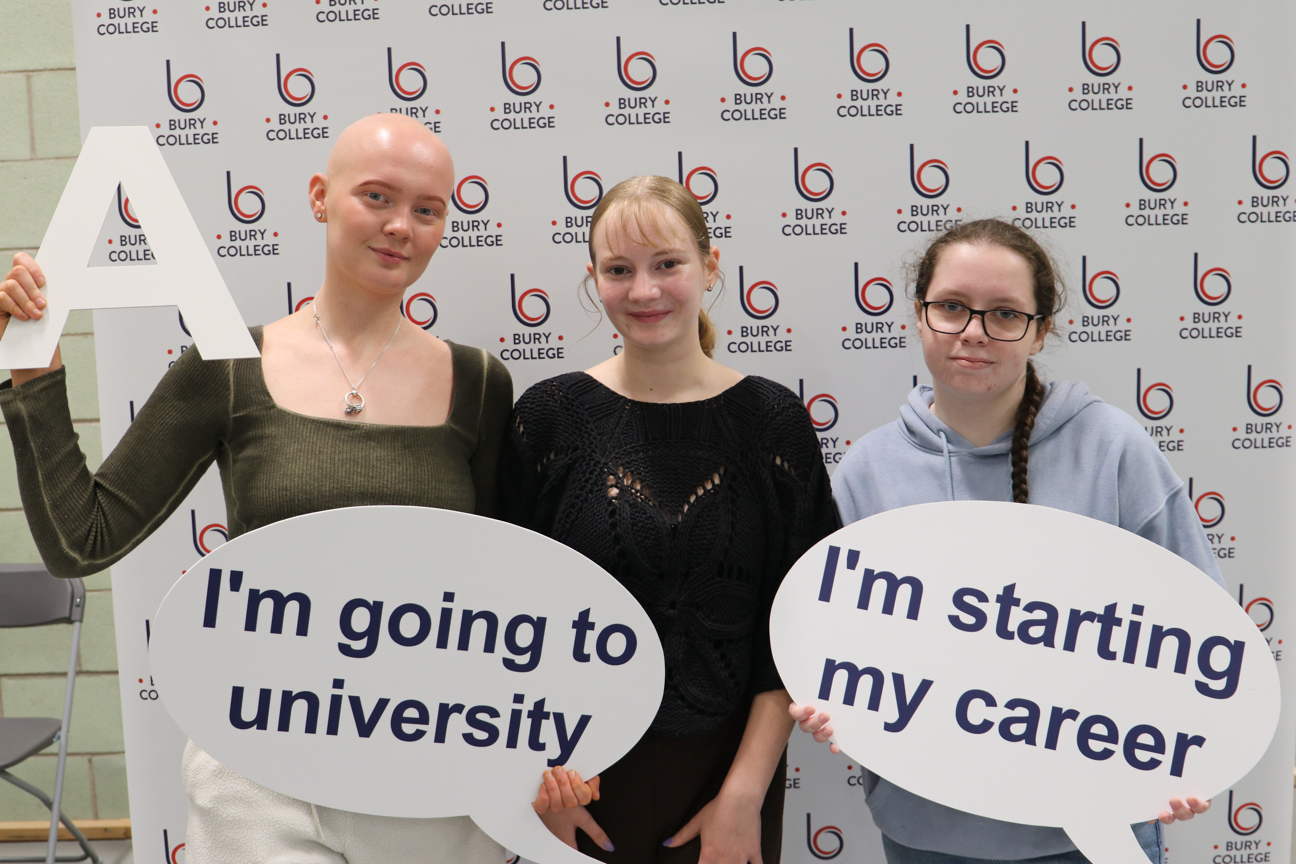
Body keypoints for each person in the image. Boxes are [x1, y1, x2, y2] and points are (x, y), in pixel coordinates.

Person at [0, 114, 591, 864]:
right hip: (261, 773)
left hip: (433, 771)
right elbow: (80, 539)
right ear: (319, 196)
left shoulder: (477, 384)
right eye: (376, 196)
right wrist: (35, 379)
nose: (400, 226)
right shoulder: (227, 366)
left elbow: (503, 591)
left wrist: (544, 734)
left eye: (427, 209)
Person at [790, 219, 1220, 864]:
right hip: (928, 832)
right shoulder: (867, 471)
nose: (973, 332)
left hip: (1095, 831)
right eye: (953, 307)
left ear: (1040, 330)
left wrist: (1192, 750)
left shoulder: (1113, 450)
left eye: (1004, 314)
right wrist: (834, 705)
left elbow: (1200, 635)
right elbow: (836, 642)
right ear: (918, 314)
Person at [502, 175, 839, 863]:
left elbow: (797, 630)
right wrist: (542, 783)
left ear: (711, 266)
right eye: (620, 270)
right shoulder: (549, 418)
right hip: (573, 784)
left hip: (727, 783)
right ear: (593, 277)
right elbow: (502, 619)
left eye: (668, 265)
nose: (645, 291)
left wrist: (744, 795)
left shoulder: (773, 424)